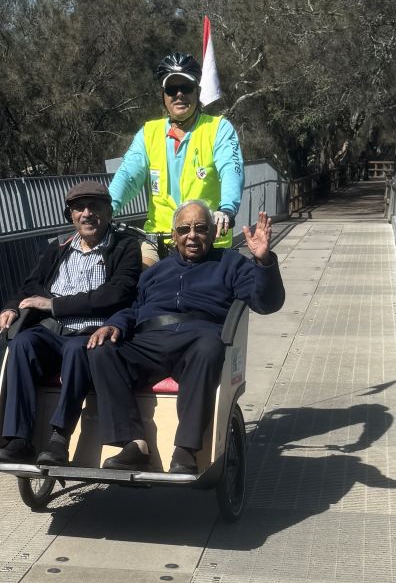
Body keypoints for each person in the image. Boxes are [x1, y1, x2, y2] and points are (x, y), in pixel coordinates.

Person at [86, 201, 283, 473]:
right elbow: (133, 309)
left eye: (200, 228)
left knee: (209, 348)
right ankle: (133, 443)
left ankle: (186, 449)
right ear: (173, 235)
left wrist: (263, 261)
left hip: (198, 338)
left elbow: (267, 303)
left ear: (213, 233)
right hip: (150, 340)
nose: (192, 236)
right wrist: (114, 324)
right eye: (184, 229)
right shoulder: (155, 272)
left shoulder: (231, 264)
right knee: (102, 350)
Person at [0, 180, 142, 466]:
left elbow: (117, 293)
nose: (87, 213)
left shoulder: (125, 247)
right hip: (52, 331)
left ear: (109, 212)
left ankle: (59, 439)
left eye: (94, 207)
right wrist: (11, 308)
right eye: (79, 208)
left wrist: (55, 305)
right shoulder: (59, 247)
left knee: (75, 349)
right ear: (70, 215)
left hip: (91, 330)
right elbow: (31, 285)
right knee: (22, 344)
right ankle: (18, 439)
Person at [109, 52, 244, 267]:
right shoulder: (149, 132)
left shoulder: (218, 128)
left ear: (197, 91)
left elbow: (231, 170)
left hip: (203, 238)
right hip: (158, 238)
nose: (179, 94)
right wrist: (106, 208)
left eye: (186, 87)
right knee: (138, 277)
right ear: (163, 96)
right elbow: (128, 175)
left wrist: (227, 209)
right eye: (172, 89)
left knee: (206, 286)